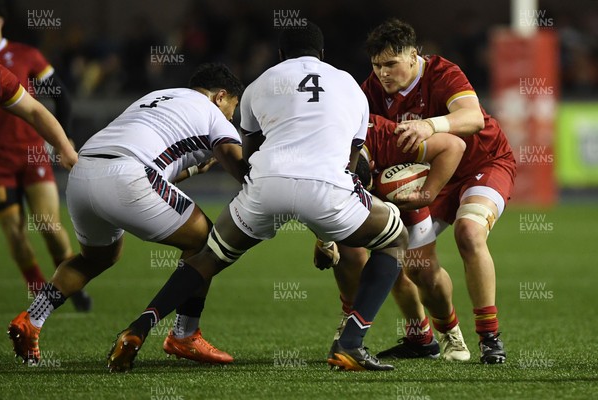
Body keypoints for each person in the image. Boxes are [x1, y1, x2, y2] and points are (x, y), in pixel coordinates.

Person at [107, 21, 408, 373]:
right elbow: (351, 162)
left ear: (280, 55)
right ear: (323, 55)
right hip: (329, 189)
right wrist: (329, 228)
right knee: (394, 238)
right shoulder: (350, 86)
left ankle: (139, 328)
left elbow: (248, 158)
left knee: (208, 257)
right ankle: (351, 343)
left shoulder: (259, 84)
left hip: (266, 183)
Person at [8, 63, 248, 366]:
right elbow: (238, 166)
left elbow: (150, 163)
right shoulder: (215, 115)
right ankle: (184, 335)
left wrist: (190, 168)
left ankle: (33, 319)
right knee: (206, 243)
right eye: (233, 107)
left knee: (98, 257)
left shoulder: (159, 97)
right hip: (129, 175)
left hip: (83, 173)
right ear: (221, 96)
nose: (231, 115)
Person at [363, 18, 515, 364]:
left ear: (414, 56)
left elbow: (473, 117)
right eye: (376, 65)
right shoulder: (369, 90)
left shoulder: (442, 73)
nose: (383, 73)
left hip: (484, 163)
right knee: (415, 267)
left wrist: (429, 124)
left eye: (391, 64)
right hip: (428, 176)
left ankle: (490, 337)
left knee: (469, 232)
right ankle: (445, 337)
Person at [316, 112, 471, 362]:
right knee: (348, 254)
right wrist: (324, 239)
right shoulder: (323, 145)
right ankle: (406, 335)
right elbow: (308, 196)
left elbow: (455, 146)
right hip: (343, 196)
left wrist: (427, 195)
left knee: (423, 271)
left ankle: (450, 331)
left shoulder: (390, 137)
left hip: (400, 193)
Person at [0, 3, 91, 310]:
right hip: (0, 164)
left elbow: (58, 97)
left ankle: (72, 286)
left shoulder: (23, 55)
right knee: (15, 234)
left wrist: (62, 142)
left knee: (49, 226)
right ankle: (43, 298)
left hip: (32, 155)